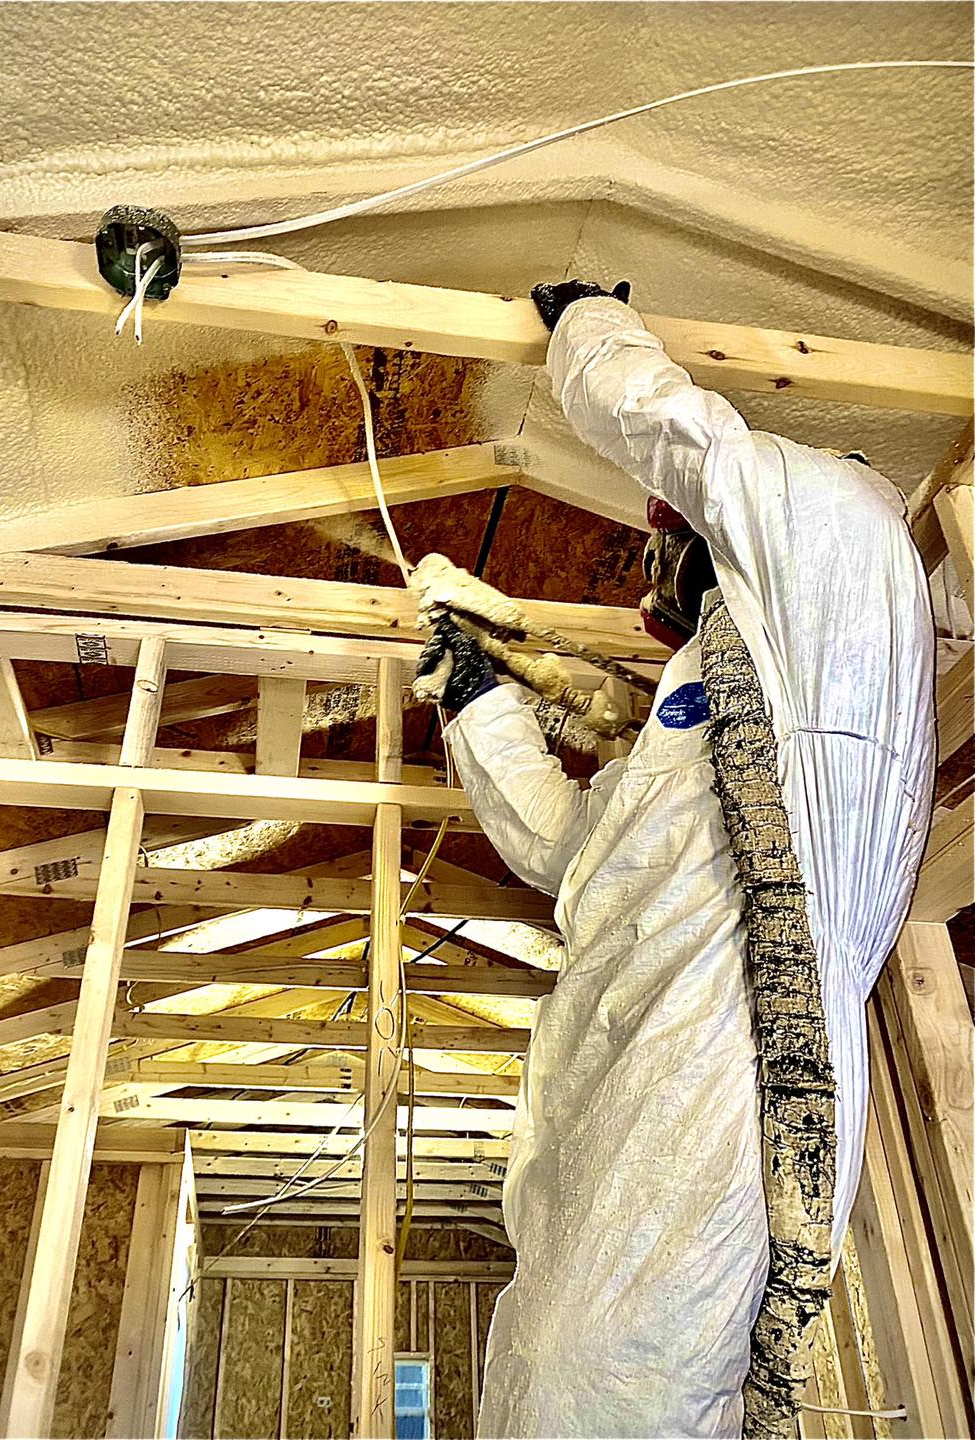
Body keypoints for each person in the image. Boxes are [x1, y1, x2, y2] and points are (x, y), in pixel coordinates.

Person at [410, 281, 935, 1439]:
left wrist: (586, 319)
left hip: (733, 1040)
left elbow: (666, 419)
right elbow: (574, 848)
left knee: (601, 1372)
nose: (645, 579)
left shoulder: (838, 531)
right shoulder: (735, 704)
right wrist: (476, 694)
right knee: (577, 1348)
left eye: (658, 549)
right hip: (657, 1029)